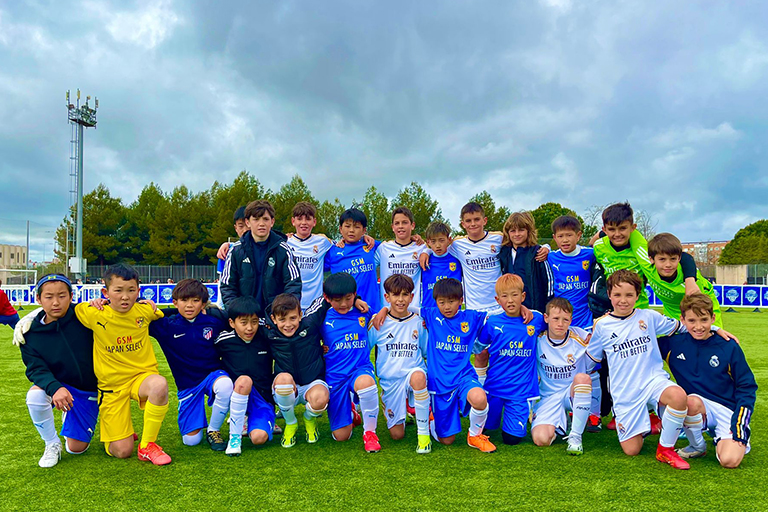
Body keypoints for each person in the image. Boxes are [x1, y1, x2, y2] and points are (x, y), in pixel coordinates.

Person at [586, 270, 735, 470]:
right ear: (609, 295)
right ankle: (649, 425)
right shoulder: (602, 326)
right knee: (632, 450)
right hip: (625, 391)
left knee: (678, 396)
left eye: (629, 295)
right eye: (618, 295)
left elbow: (683, 327)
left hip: (653, 380)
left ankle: (665, 449)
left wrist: (715, 329)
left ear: (637, 295)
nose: (623, 300)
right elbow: (591, 359)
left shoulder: (649, 317)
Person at [74, 264, 170, 465]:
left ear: (138, 291)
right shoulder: (93, 313)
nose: (125, 297)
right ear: (105, 292)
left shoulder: (145, 310)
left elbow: (160, 313)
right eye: (118, 290)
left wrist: (149, 303)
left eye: (131, 290)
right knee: (122, 451)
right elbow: (71, 310)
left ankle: (147, 445)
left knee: (160, 384)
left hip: (140, 377)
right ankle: (118, 433)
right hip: (112, 386)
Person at [659, 293, 756, 468]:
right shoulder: (673, 343)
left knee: (729, 461)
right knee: (689, 400)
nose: (698, 327)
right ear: (682, 320)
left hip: (727, 409)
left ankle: (722, 436)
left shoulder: (728, 346)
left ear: (712, 318)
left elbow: (747, 386)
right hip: (697, 406)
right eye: (692, 321)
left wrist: (739, 423)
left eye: (704, 320)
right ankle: (697, 446)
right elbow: (643, 337)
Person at [16, 274, 98, 467]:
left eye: (62, 296)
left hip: (88, 389)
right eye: (49, 296)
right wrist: (55, 388)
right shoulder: (28, 332)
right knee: (35, 396)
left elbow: (121, 306)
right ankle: (51, 443)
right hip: (60, 384)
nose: (55, 302)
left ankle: (70, 415)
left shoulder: (85, 316)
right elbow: (36, 369)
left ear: (71, 296)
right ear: (38, 299)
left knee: (76, 448)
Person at [148, 279, 232, 451]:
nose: (189, 305)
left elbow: (238, 320)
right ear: (175, 302)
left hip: (212, 376)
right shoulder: (166, 326)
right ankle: (192, 415)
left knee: (225, 385)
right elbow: (134, 315)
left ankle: (213, 430)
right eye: (184, 300)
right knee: (191, 441)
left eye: (195, 300)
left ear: (203, 304)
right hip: (188, 385)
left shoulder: (214, 322)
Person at [421, 278, 495, 453]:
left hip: (463, 376)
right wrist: (384, 310)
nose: (447, 307)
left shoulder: (470, 317)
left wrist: (525, 309)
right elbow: (405, 308)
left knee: (479, 398)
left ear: (461, 300)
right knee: (447, 441)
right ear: (435, 302)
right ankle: (433, 420)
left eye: (451, 301)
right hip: (440, 383)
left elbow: (497, 313)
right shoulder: (431, 315)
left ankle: (475, 436)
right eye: (442, 302)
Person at [474, 274, 545, 447]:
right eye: (505, 296)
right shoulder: (492, 322)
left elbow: (556, 322)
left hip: (521, 389)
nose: (510, 300)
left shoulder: (535, 319)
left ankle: (519, 417)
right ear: (497, 300)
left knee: (511, 439)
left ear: (523, 296)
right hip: (494, 387)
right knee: (486, 429)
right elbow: (477, 348)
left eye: (515, 295)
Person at [547, 215, 602, 431]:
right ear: (554, 238)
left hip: (584, 321)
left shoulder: (590, 254)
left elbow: (604, 243)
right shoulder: (550, 256)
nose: (565, 240)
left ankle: (594, 416)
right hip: (561, 323)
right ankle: (568, 407)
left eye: (569, 235)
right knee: (564, 366)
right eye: (560, 236)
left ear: (579, 235)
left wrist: (600, 234)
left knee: (591, 369)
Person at [265, 292, 340, 448]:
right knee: (283, 379)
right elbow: (242, 319)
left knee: (321, 397)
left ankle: (309, 418)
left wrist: (356, 300)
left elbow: (328, 296)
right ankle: (291, 423)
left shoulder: (310, 323)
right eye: (282, 320)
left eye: (292, 318)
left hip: (312, 383)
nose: (288, 324)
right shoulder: (269, 332)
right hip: (287, 387)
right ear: (274, 319)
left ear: (300, 315)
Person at [368, 274, 430, 454]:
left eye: (405, 295)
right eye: (395, 295)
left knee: (418, 377)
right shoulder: (378, 322)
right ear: (387, 297)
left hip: (414, 373)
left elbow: (426, 352)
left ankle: (423, 436)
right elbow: (364, 350)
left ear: (412, 297)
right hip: (391, 381)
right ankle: (401, 407)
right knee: (397, 435)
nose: (401, 300)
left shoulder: (418, 321)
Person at [321, 272, 381, 452]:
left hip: (359, 369)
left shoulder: (363, 311)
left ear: (355, 295)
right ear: (327, 298)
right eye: (337, 300)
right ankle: (352, 411)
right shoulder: (321, 317)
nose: (343, 304)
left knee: (367, 383)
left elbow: (386, 316)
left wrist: (380, 309)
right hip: (335, 376)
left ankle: (370, 433)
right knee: (341, 436)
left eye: (348, 298)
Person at [530, 297, 593, 455]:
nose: (560, 324)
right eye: (556, 318)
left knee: (583, 379)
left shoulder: (581, 337)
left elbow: (601, 338)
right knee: (541, 440)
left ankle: (575, 437)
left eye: (565, 320)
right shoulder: (537, 340)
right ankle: (562, 424)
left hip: (571, 394)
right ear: (546, 318)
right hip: (548, 397)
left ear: (571, 320)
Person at [214, 296, 275, 456]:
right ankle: (235, 438)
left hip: (262, 398)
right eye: (243, 322)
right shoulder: (223, 341)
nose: (249, 328)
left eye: (254, 322)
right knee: (244, 381)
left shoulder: (266, 338)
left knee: (258, 438)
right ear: (232, 323)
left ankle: (251, 419)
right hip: (237, 393)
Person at [220, 199, 302, 317]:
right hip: (246, 319)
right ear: (248, 222)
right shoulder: (236, 251)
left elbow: (293, 284)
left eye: (265, 219)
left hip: (275, 319)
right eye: (256, 219)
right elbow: (227, 287)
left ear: (272, 222)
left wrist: (282, 314)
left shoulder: (284, 250)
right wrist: (238, 313)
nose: (261, 223)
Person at [631, 232, 723, 327]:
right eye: (662, 259)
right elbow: (632, 232)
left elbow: (704, 313)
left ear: (679, 258)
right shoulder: (648, 265)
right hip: (671, 313)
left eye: (673, 259)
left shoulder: (692, 283)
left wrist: (714, 329)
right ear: (651, 259)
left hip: (700, 310)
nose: (668, 264)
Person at [324, 209, 382, 312]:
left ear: (364, 230)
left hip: (373, 311)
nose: (351, 230)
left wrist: (412, 238)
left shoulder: (371, 245)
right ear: (340, 229)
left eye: (357, 227)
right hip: (346, 311)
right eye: (347, 226)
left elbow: (396, 245)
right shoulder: (332, 252)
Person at [498, 211, 553, 313]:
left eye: (521, 230)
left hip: (535, 310)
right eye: (513, 231)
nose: (517, 234)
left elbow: (549, 285)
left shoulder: (538, 253)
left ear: (529, 231)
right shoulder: (503, 253)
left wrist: (547, 310)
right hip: (512, 312)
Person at [286, 201, 334, 311]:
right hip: (291, 303)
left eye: (308, 219)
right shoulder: (286, 242)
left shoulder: (322, 242)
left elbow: (344, 244)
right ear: (293, 221)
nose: (304, 223)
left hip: (315, 305)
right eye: (299, 219)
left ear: (314, 222)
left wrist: (365, 238)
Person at [374, 207, 426, 308]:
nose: (401, 226)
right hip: (387, 310)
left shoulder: (421, 248)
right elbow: (368, 264)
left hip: (413, 310)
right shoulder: (383, 248)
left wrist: (427, 250)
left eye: (405, 222)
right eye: (397, 223)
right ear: (392, 227)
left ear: (412, 225)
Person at [420, 221, 462, 311]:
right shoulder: (424, 260)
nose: (438, 245)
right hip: (429, 311)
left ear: (449, 240)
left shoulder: (458, 259)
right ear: (428, 242)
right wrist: (425, 251)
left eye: (441, 240)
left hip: (453, 312)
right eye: (433, 241)